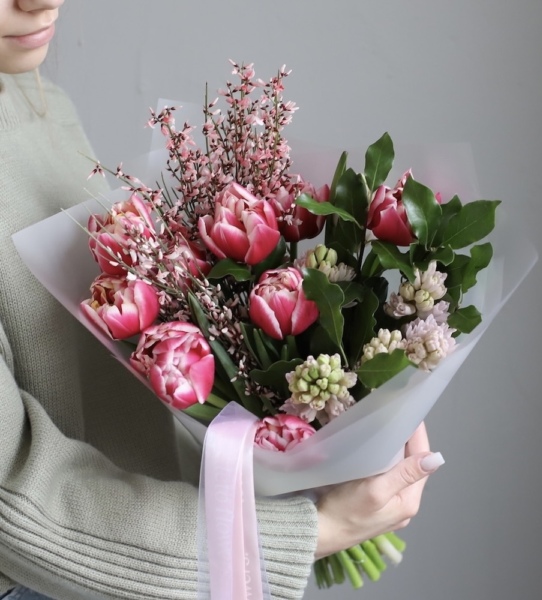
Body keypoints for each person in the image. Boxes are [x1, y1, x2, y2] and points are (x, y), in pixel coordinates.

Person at [0, 1, 444, 599]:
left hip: (160, 556)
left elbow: (107, 392)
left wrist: (294, 450)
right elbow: (17, 494)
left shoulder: (33, 96)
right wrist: (311, 529)